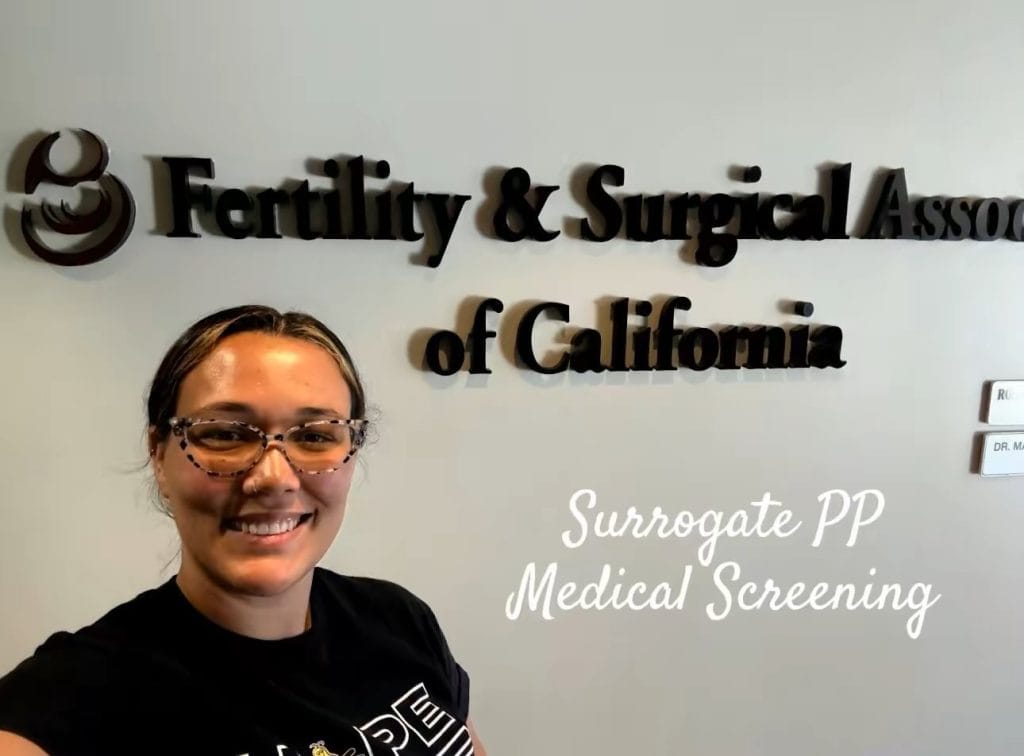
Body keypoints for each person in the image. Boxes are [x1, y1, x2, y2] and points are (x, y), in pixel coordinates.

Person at [0, 305, 486, 756]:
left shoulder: (399, 620)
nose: (274, 478)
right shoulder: (74, 696)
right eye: (225, 434)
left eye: (316, 435)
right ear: (159, 455)